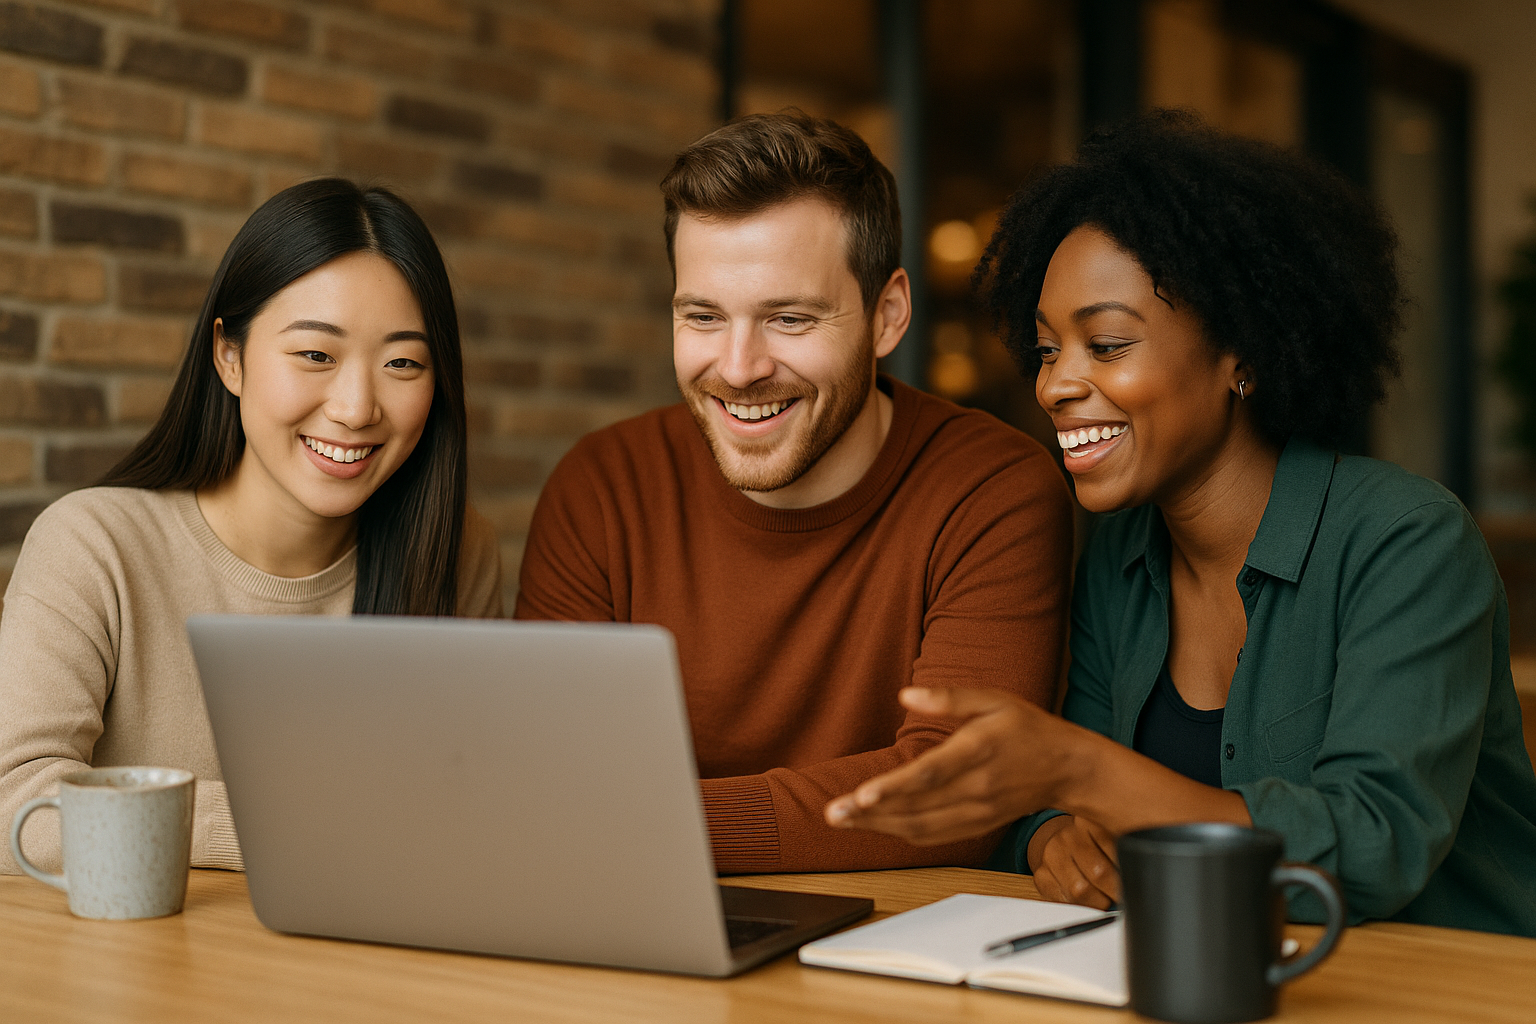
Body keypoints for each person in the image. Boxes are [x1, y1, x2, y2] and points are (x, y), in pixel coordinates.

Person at [826, 111, 1536, 936]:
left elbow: (1373, 846)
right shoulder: (1118, 556)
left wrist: (1075, 770)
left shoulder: (1408, 542)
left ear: (1243, 352)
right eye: (1049, 349)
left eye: (1109, 343)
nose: (1056, 385)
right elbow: (1055, 804)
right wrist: (1052, 831)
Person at [515, 112, 1073, 873]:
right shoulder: (602, 485)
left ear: (888, 316)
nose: (739, 367)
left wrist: (635, 822)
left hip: (885, 955)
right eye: (703, 316)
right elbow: (544, 778)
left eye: (789, 317)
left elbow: (956, 792)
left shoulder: (990, 489)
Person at [1, 179, 503, 875]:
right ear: (228, 357)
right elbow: (15, 808)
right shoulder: (96, 545)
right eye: (315, 355)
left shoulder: (453, 552)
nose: (357, 408)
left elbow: (468, 811)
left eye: (402, 364)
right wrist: (286, 825)